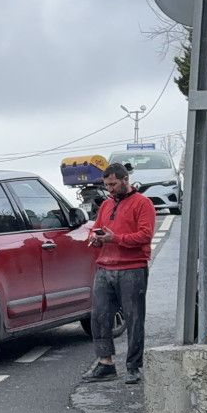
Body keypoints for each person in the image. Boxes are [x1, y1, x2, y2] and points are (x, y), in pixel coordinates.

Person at [82, 163, 156, 385]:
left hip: (132, 268)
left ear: (126, 180)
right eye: (107, 185)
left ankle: (133, 367)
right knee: (99, 316)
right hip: (105, 267)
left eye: (113, 184)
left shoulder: (143, 204)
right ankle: (106, 363)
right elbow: (97, 228)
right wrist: (94, 240)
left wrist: (115, 239)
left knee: (134, 319)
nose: (110, 189)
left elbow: (145, 235)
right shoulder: (105, 205)